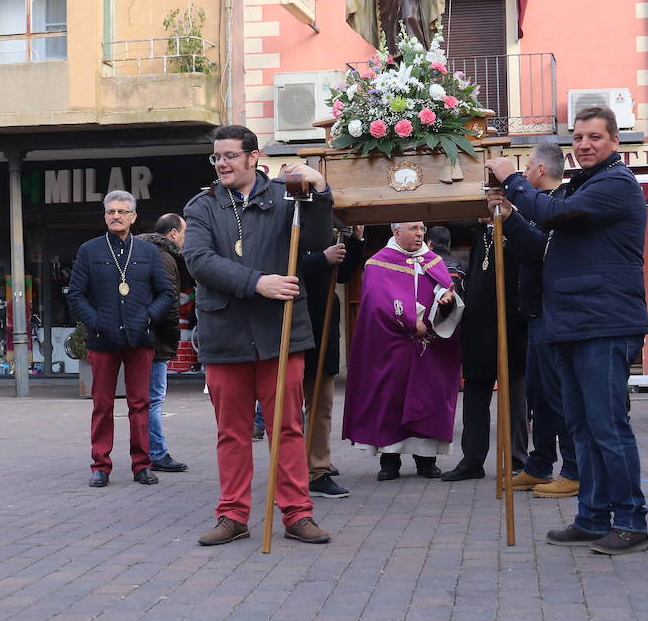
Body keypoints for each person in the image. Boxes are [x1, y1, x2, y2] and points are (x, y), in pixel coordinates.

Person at [488, 106, 648, 556]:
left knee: (607, 427)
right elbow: (545, 248)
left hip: (602, 323)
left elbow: (551, 216)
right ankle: (592, 518)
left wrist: (512, 180)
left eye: (595, 137)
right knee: (581, 427)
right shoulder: (587, 187)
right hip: (574, 323)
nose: (584, 144)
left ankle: (632, 522)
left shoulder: (615, 184)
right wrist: (509, 216)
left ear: (615, 142)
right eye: (577, 137)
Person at [183, 125, 333, 546]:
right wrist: (258, 283)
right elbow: (199, 261)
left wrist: (319, 190)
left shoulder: (290, 195)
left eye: (230, 155)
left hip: (281, 333)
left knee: (287, 429)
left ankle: (297, 514)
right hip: (224, 335)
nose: (222, 164)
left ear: (254, 156)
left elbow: (320, 239)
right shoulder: (202, 206)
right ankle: (233, 515)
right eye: (216, 157)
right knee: (231, 432)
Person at [67, 190, 176, 488]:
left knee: (139, 404)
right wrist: (95, 322)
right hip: (103, 340)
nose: (116, 216)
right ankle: (101, 465)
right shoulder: (90, 250)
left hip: (140, 339)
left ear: (133, 217)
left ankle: (142, 465)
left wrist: (148, 317)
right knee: (102, 404)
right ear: (104, 216)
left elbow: (166, 293)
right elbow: (75, 294)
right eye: (111, 211)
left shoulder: (148, 252)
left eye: (122, 211)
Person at [343, 220, 463, 480]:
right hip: (392, 345)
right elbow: (376, 303)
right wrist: (410, 321)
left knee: (428, 399)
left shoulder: (434, 262)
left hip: (428, 347)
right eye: (413, 229)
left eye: (422, 230)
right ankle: (389, 461)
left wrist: (445, 304)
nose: (420, 234)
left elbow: (446, 296)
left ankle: (426, 460)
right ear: (396, 232)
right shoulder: (377, 263)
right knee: (390, 400)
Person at [504, 142, 579, 498]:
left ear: (540, 171)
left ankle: (575, 469)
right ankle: (539, 464)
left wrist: (511, 219)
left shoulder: (559, 205)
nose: (524, 172)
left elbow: (541, 251)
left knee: (558, 395)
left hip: (554, 312)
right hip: (536, 313)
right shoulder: (536, 207)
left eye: (527, 166)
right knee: (540, 396)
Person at [442, 219, 528, 482]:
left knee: (514, 398)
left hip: (511, 323)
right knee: (474, 397)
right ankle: (473, 459)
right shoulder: (479, 233)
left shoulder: (516, 226)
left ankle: (516, 460)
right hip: (478, 326)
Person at [301, 225, 365, 499]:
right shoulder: (284, 220)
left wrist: (357, 239)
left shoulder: (328, 230)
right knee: (288, 408)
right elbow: (280, 265)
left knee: (321, 405)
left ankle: (317, 467)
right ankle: (297, 467)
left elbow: (345, 274)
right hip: (293, 325)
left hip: (324, 327)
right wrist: (320, 258)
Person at [137, 212, 193, 474]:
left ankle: (146, 452)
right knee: (154, 399)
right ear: (172, 234)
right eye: (183, 233)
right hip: (155, 339)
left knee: (143, 400)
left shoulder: (136, 250)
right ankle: (156, 453)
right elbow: (169, 305)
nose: (184, 239)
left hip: (137, 336)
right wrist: (171, 340)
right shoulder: (164, 257)